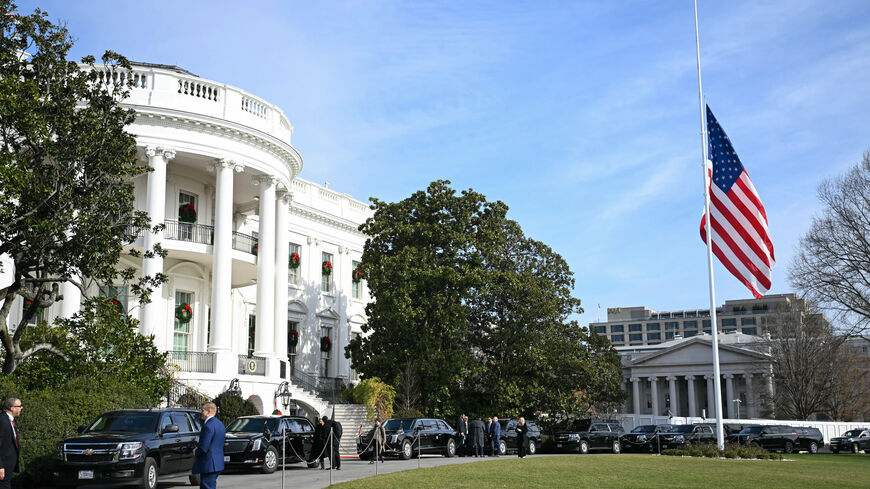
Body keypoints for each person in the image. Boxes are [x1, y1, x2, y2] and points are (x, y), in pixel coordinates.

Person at [192, 402, 225, 489]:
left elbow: (204, 447)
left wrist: (196, 451)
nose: (201, 412)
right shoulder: (220, 424)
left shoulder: (208, 426)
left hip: (209, 464)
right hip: (217, 463)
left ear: (209, 411)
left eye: (202, 410)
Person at [0, 398, 22, 489]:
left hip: (8, 467)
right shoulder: (2, 421)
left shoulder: (9, 420)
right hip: (3, 467)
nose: (21, 408)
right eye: (20, 406)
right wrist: (0, 466)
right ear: (12, 408)